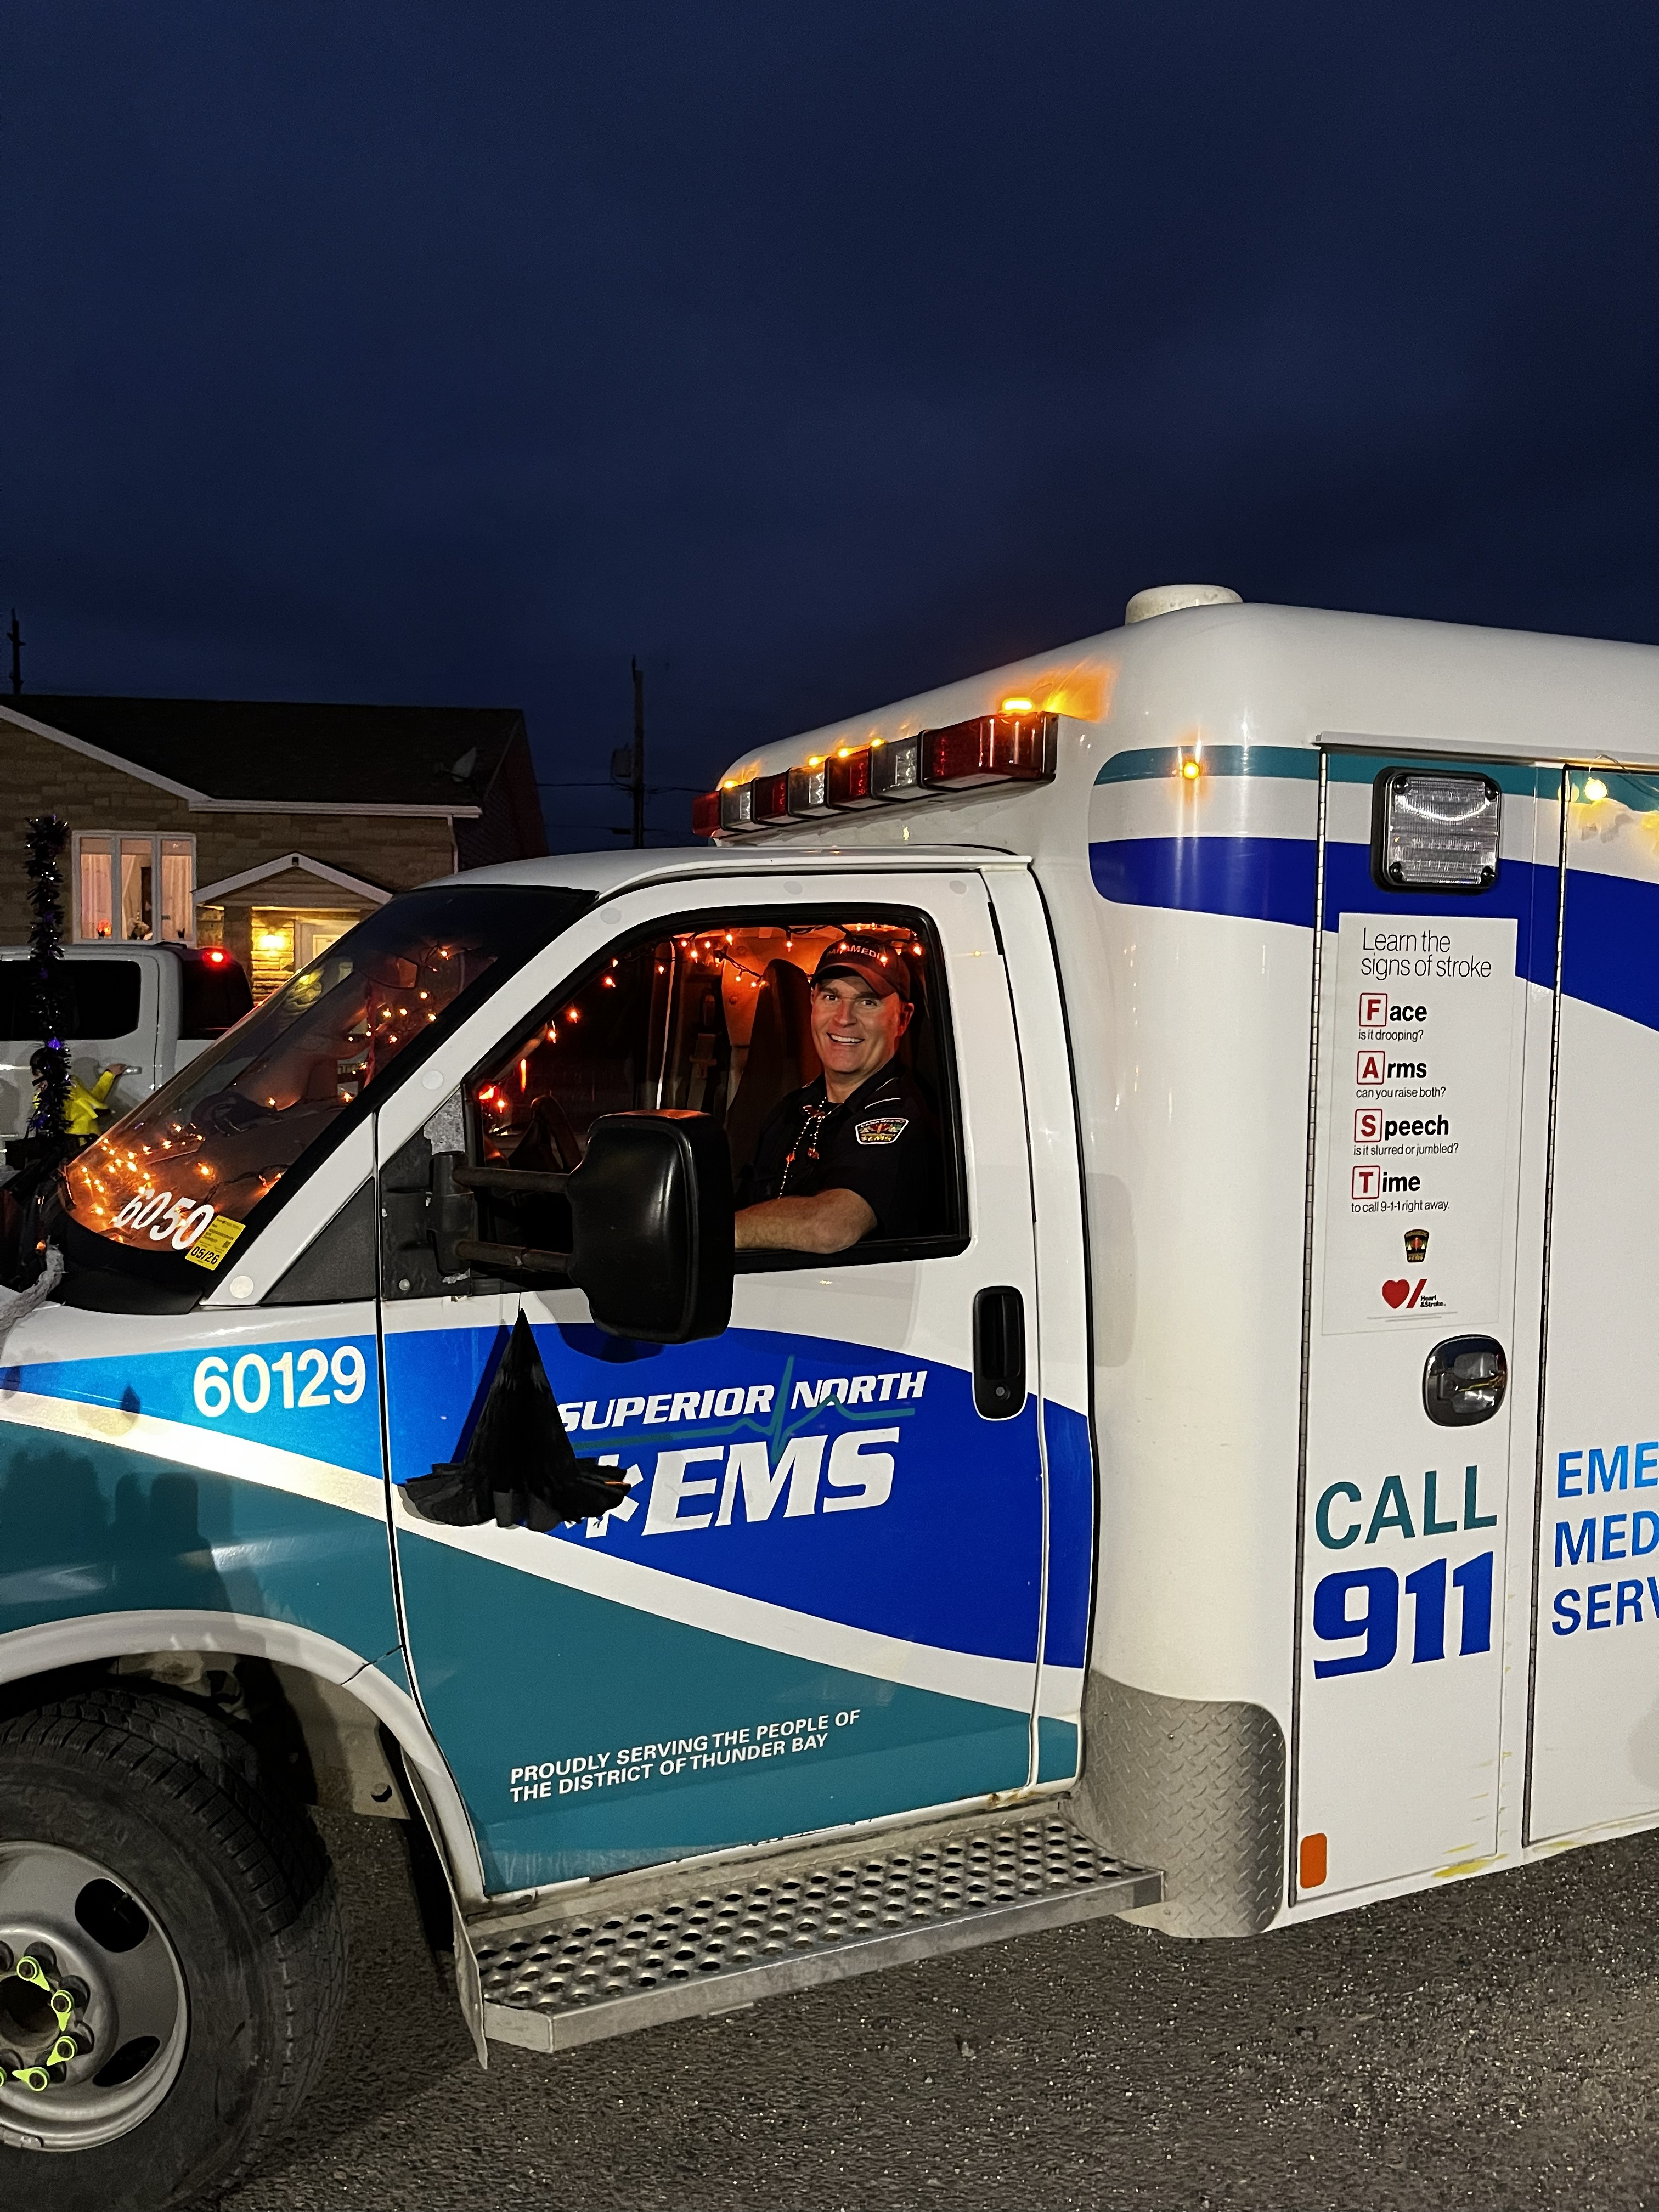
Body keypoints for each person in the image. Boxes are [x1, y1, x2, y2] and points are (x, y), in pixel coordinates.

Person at [735, 939, 939, 1254]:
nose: (844, 1018)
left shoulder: (901, 1119)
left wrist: (712, 1236)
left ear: (903, 1018)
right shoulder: (791, 1109)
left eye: (868, 1001)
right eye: (831, 997)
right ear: (813, 1002)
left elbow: (830, 1227)